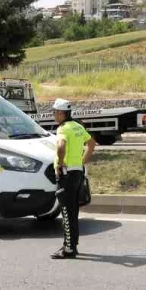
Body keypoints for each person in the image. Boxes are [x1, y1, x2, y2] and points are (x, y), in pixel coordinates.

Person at [51, 98, 97, 259]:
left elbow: (61, 146)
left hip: (66, 174)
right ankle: (72, 245)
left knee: (66, 212)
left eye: (55, 112)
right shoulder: (78, 126)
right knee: (73, 211)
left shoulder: (63, 128)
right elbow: (91, 144)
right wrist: (82, 161)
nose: (54, 115)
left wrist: (60, 163)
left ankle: (69, 249)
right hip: (77, 172)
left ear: (62, 113)